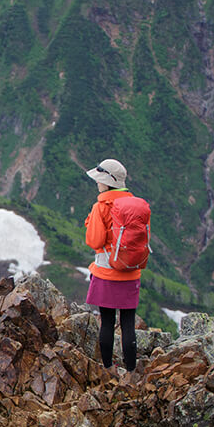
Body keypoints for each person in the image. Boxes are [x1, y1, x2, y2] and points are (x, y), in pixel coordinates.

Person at [84, 158, 143, 373]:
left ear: (107, 182)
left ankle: (108, 368)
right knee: (128, 323)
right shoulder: (135, 205)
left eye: (99, 180)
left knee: (107, 322)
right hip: (130, 272)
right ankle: (131, 371)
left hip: (107, 273)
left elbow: (94, 241)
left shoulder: (101, 207)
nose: (97, 184)